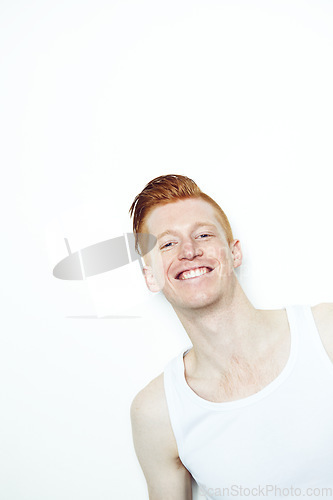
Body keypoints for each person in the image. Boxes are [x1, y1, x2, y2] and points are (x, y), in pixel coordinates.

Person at [129, 174, 333, 500]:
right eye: (167, 244)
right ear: (150, 276)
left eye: (204, 234)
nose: (189, 250)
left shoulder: (325, 333)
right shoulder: (157, 411)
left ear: (234, 253)